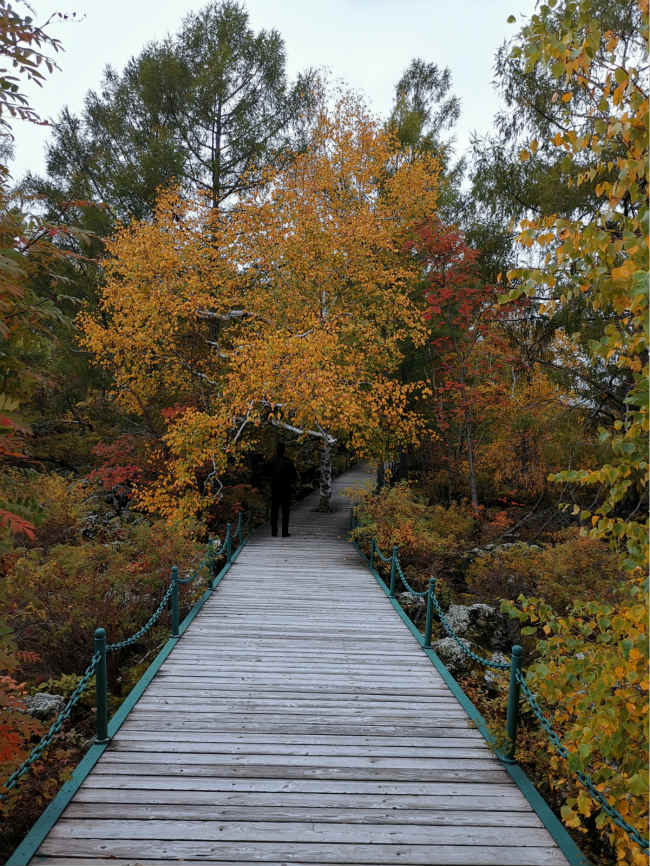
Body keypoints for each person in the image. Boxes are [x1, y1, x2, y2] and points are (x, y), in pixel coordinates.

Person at [268, 442, 297, 537]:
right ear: (284, 451)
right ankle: (284, 532)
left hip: (274, 489)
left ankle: (274, 532)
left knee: (274, 511)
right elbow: (294, 476)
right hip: (285, 490)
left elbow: (265, 473)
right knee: (285, 512)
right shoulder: (288, 462)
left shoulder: (271, 461)